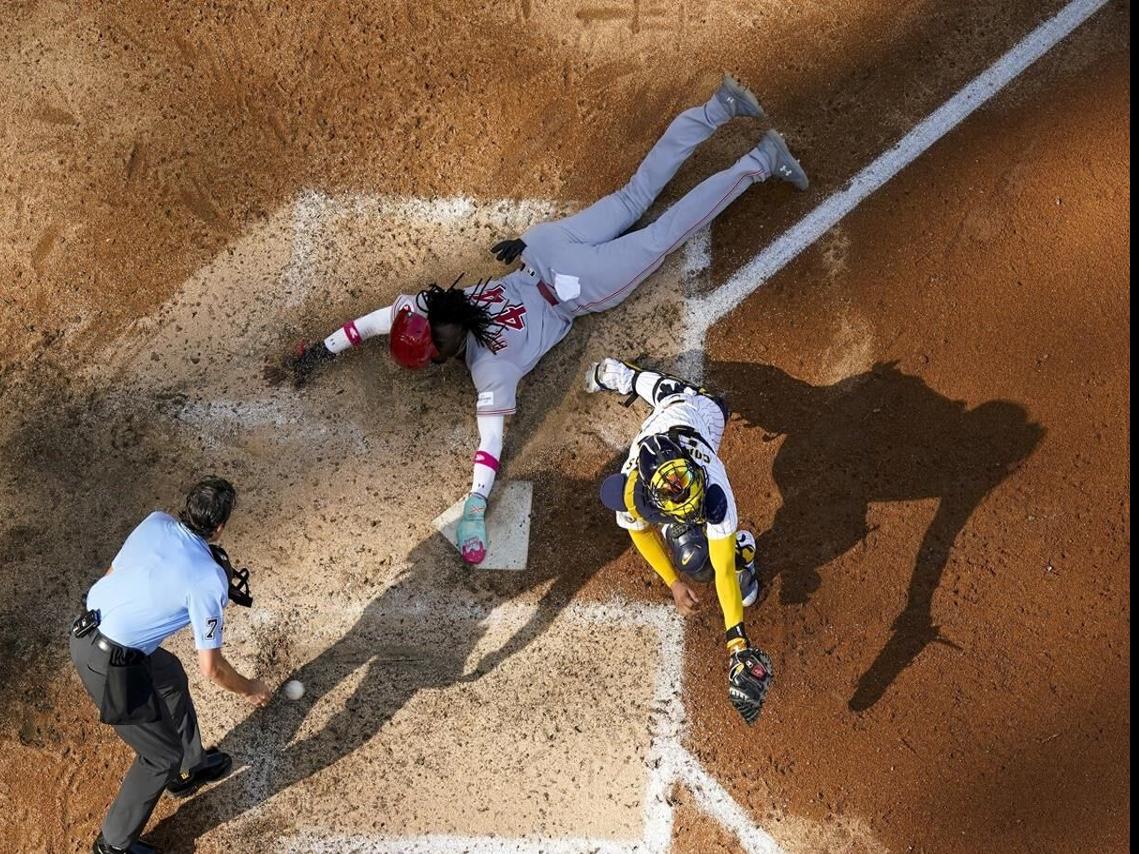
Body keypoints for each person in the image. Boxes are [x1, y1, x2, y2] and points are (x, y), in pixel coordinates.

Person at [285, 74, 808, 566]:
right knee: (635, 193)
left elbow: (489, 446)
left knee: (665, 233)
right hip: (547, 245)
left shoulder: (492, 370)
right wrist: (317, 351)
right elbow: (373, 323)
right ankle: (721, 105)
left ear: (440, 353)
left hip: (581, 288)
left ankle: (762, 160)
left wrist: (474, 510)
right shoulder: (440, 303)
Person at [69, 477, 272, 854]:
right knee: (160, 756)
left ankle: (190, 768)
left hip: (93, 629)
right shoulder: (208, 579)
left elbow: (112, 576)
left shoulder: (156, 521)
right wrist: (251, 689)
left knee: (170, 675)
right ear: (220, 527)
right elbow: (212, 669)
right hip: (108, 663)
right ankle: (113, 844)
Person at [586, 357, 773, 723]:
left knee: (703, 558)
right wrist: (672, 582)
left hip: (700, 415)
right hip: (663, 429)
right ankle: (623, 376)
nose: (688, 500)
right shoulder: (631, 491)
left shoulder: (713, 488)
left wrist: (737, 642)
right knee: (690, 557)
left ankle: (743, 550)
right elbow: (637, 530)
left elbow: (721, 573)